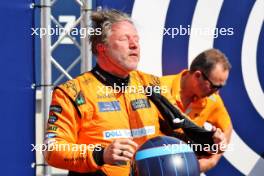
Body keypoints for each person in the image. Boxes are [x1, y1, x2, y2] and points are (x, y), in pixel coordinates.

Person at [43, 9, 226, 176]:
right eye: (124, 39)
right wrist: (101, 154)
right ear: (101, 47)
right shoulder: (72, 92)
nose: (134, 45)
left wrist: (208, 142)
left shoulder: (150, 84)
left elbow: (176, 135)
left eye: (136, 39)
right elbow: (52, 151)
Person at [160, 48, 233, 172]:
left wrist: (212, 160)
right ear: (198, 75)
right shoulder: (159, 88)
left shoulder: (212, 100)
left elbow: (228, 127)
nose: (217, 92)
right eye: (214, 86)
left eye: (221, 87)